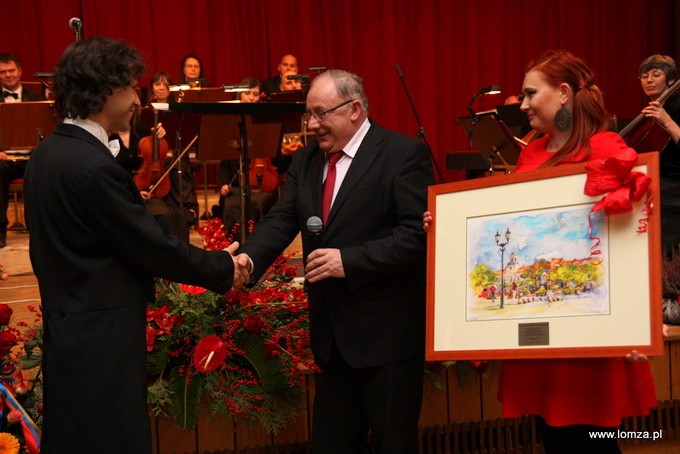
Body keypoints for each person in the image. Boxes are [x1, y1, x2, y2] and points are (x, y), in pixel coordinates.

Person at [425, 50, 658, 454]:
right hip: (539, 344)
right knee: (552, 438)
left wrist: (637, 319)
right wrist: (446, 229)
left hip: (591, 342)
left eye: (531, 93)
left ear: (563, 93)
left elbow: (632, 237)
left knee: (593, 442)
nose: (525, 104)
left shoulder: (607, 148)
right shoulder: (530, 154)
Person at [23, 37, 249, 453]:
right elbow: (151, 247)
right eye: (131, 87)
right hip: (103, 336)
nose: (136, 100)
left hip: (68, 327)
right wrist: (220, 266)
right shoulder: (92, 167)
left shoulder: (46, 154)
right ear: (104, 90)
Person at [237, 69, 434, 453]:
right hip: (332, 341)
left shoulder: (401, 154)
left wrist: (351, 260)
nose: (312, 125)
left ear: (355, 109)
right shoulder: (307, 161)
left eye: (321, 113)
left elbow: (417, 235)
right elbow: (281, 220)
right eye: (309, 115)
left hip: (387, 341)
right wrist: (247, 259)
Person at [214, 78, 278, 233]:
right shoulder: (231, 120)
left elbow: (276, 158)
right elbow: (225, 160)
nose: (251, 98)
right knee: (232, 205)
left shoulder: (265, 119)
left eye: (255, 94)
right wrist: (224, 183)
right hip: (236, 185)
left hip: (263, 184)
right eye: (247, 93)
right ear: (239, 95)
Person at [112, 113, 189, 240]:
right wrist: (132, 191)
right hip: (122, 191)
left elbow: (155, 158)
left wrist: (156, 138)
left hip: (147, 189)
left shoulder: (142, 131)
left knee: (169, 216)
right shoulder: (107, 136)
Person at [0, 53, 47, 247]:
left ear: (19, 71)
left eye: (11, 70)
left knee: (45, 169)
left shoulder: (38, 100)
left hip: (32, 158)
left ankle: (40, 229)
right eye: (3, 72)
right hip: (4, 160)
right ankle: (0, 232)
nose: (8, 75)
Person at [636, 55, 680, 251]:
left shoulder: (676, 105)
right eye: (644, 77)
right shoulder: (650, 110)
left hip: (673, 184)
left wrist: (667, 120)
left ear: (670, 80)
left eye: (656, 75)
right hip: (656, 179)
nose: (649, 80)